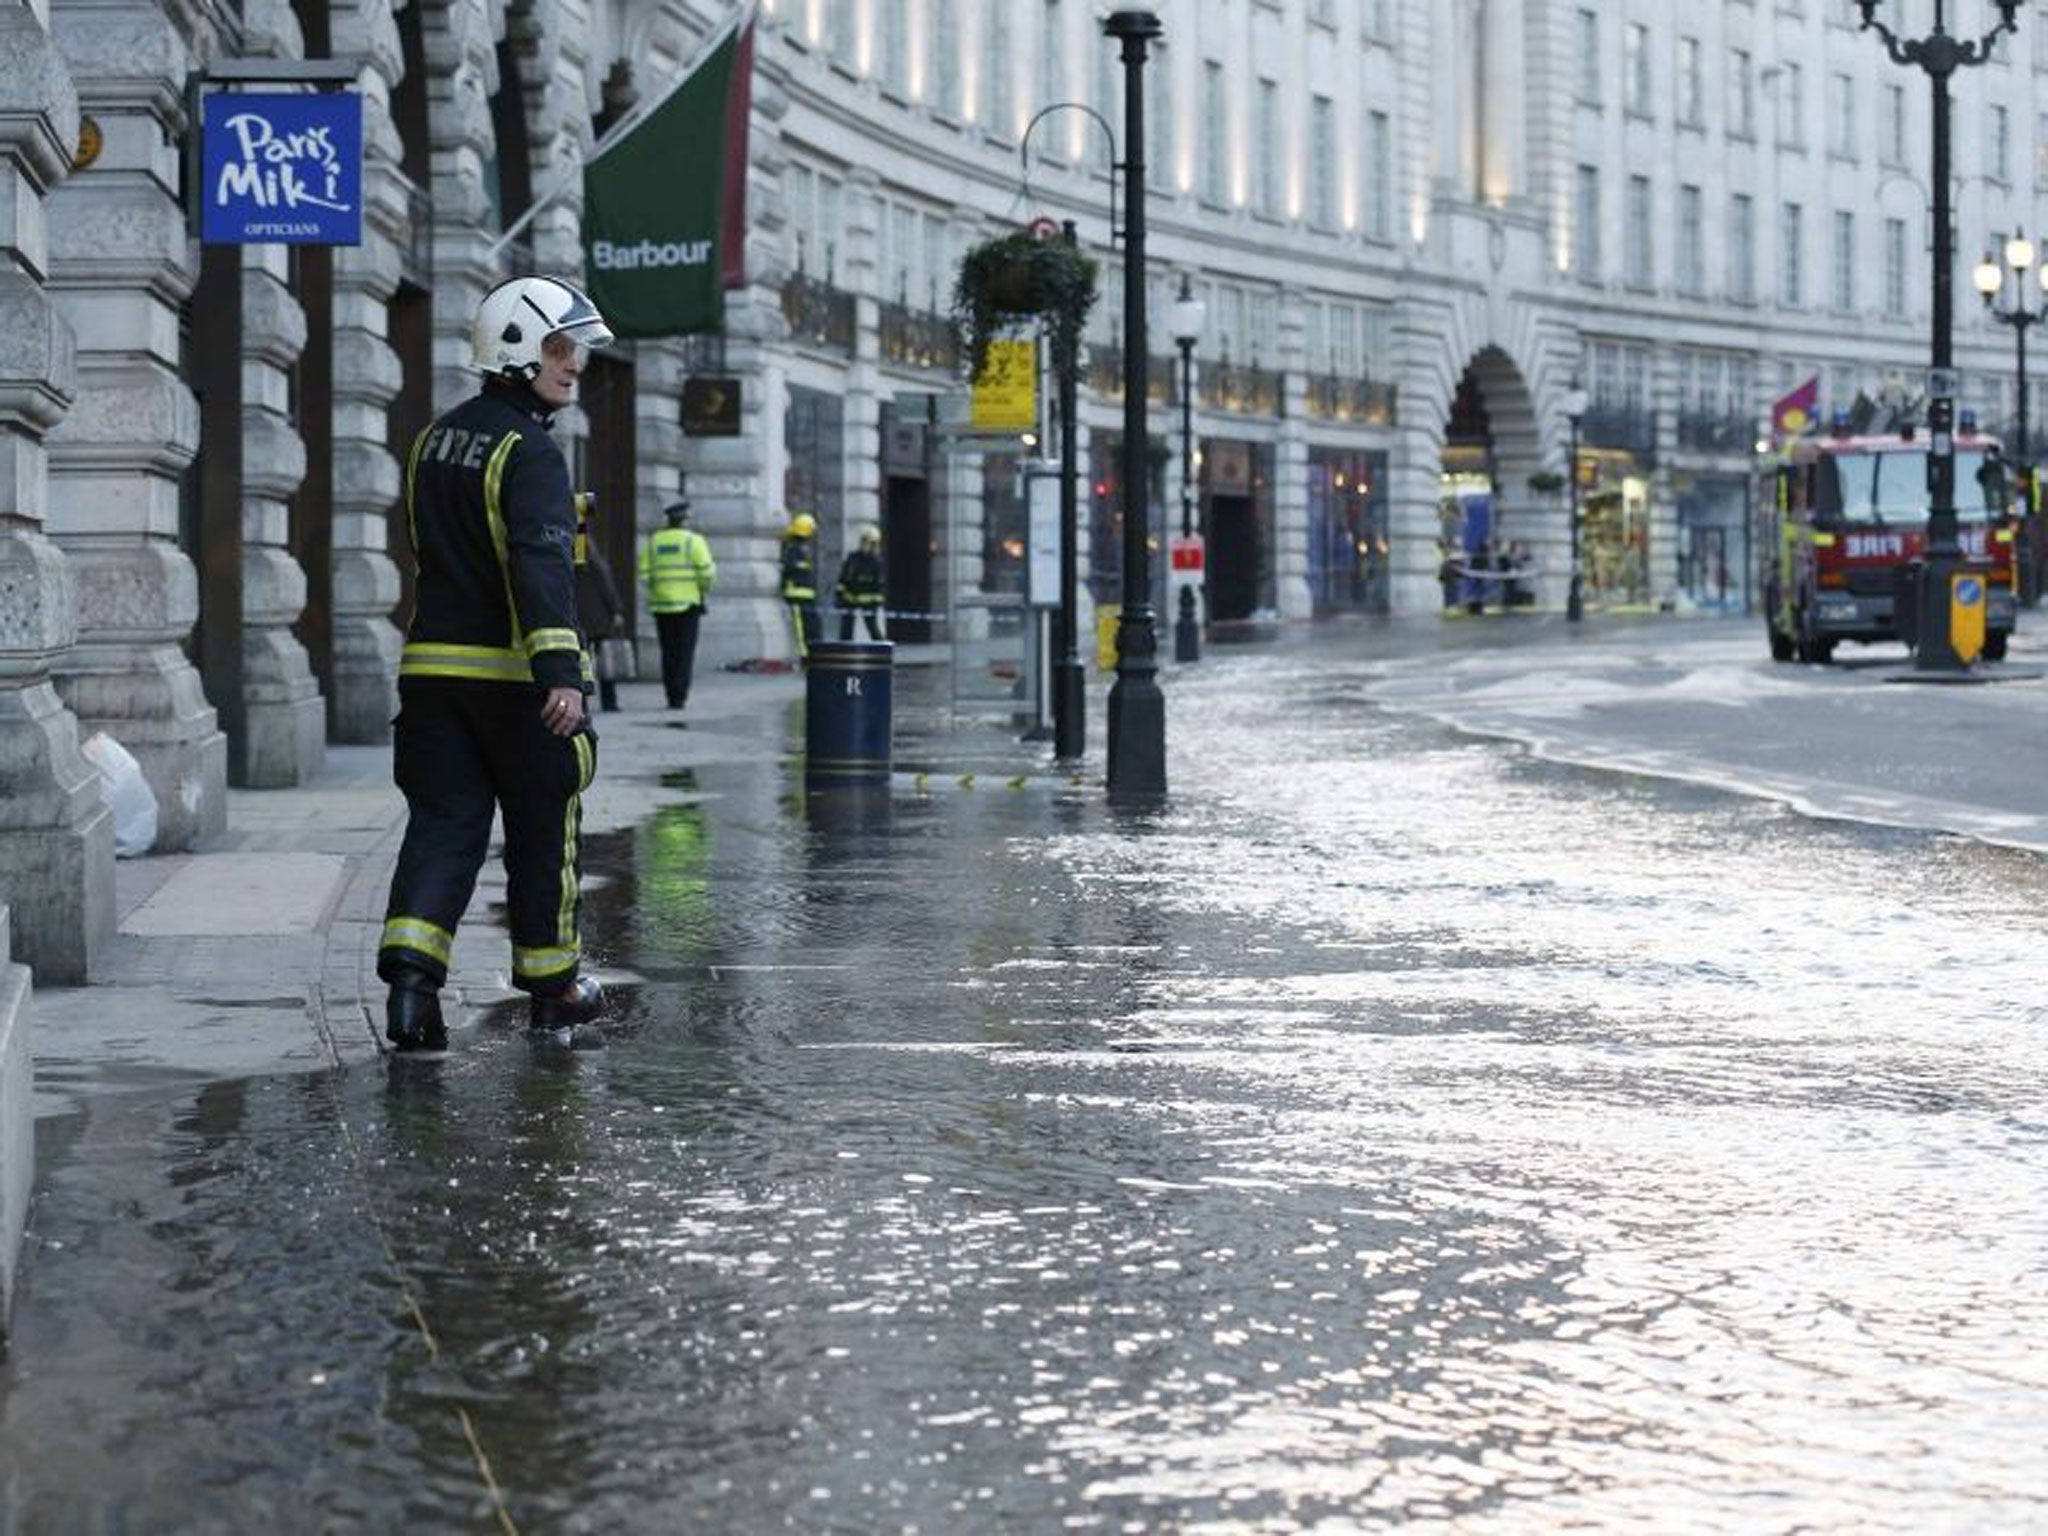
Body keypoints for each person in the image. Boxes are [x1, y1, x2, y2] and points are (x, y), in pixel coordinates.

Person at [378, 274, 613, 1053]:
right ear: (513, 348)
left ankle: (412, 995)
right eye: (557, 347)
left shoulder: (432, 441)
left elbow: (432, 556)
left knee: (443, 828)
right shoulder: (532, 452)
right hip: (516, 685)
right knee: (547, 829)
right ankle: (555, 991)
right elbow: (541, 565)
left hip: (432, 678)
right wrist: (563, 677)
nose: (571, 362)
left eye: (572, 348)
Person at [638, 499, 716, 712]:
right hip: (688, 604)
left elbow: (644, 574)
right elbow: (707, 572)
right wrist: (701, 590)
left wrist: (658, 589)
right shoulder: (694, 541)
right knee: (684, 652)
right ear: (685, 520)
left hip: (661, 605)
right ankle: (679, 696)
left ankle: (670, 693)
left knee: (668, 651)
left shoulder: (654, 541)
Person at [575, 493, 626, 712]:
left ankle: (584, 700)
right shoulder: (581, 539)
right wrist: (615, 608)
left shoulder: (568, 535)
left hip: (578, 611)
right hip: (595, 613)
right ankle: (608, 702)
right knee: (603, 660)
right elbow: (601, 575)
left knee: (581, 658)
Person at [834, 523, 887, 640]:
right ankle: (844, 651)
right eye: (871, 543)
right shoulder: (853, 558)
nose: (873, 547)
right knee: (846, 628)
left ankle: (881, 651)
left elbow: (880, 585)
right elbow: (843, 579)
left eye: (875, 544)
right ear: (863, 542)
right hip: (850, 598)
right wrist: (839, 596)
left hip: (869, 602)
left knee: (873, 627)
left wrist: (877, 602)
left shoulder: (877, 562)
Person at [780, 511, 820, 664]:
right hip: (795, 595)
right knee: (800, 628)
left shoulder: (802, 550)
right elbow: (789, 571)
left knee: (812, 625)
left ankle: (814, 652)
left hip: (807, 596)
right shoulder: (792, 550)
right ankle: (804, 656)